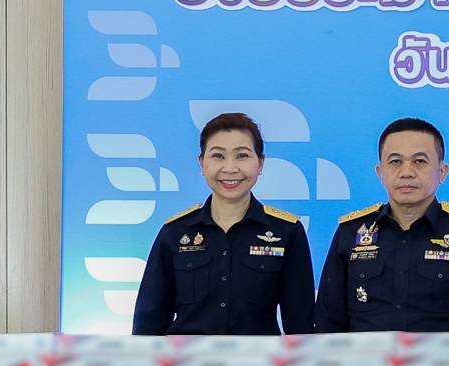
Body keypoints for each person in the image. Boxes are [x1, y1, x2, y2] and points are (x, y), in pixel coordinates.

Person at [312, 117, 449, 332]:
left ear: (442, 172)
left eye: (419, 161)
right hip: (368, 355)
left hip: (444, 355)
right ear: (380, 172)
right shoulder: (351, 233)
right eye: (395, 161)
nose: (406, 172)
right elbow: (327, 323)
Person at [132, 112, 315, 335]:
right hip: (188, 357)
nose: (230, 168)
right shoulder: (175, 232)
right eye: (218, 156)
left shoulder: (286, 232)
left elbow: (300, 325)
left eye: (242, 156)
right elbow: (148, 322)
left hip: (259, 357)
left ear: (260, 163)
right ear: (202, 163)